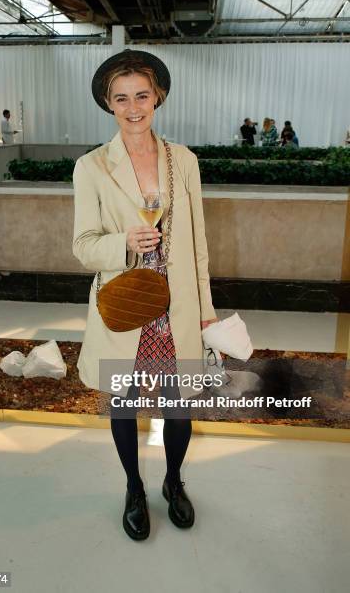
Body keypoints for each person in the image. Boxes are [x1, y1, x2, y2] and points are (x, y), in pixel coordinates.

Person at [72, 49, 219, 541]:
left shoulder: (185, 162)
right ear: (108, 104)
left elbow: (198, 243)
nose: (133, 107)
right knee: (124, 403)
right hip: (126, 303)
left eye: (142, 95)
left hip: (176, 307)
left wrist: (207, 312)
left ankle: (173, 481)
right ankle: (134, 487)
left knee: (179, 404)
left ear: (157, 96)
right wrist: (123, 243)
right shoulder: (91, 167)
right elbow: (82, 246)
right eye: (121, 98)